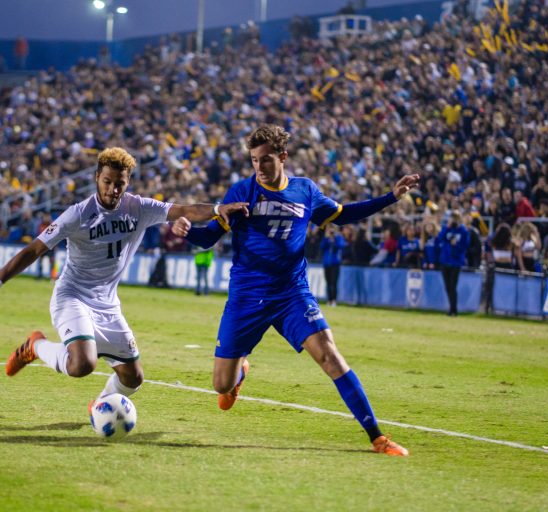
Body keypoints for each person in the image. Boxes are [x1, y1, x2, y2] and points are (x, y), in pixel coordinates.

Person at [171, 125, 418, 456]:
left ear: (283, 157)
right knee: (221, 385)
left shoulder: (306, 191)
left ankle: (377, 437)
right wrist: (187, 231)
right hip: (247, 297)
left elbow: (342, 215)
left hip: (292, 294)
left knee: (330, 356)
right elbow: (207, 237)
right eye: (255, 160)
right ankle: (240, 372)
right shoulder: (241, 192)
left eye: (266, 159)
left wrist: (390, 197)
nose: (259, 166)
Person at [0, 148, 248, 407]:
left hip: (107, 304)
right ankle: (35, 346)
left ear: (128, 182)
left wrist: (215, 209)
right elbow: (34, 249)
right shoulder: (77, 214)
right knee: (82, 364)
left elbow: (184, 210)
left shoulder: (139, 208)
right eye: (107, 182)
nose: (113, 189)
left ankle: (100, 407)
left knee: (132, 378)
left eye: (120, 184)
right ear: (97, 177)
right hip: (72, 296)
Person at [437, 210, 469, 317]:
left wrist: (456, 245)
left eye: (456, 218)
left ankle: (453, 310)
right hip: (445, 261)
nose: (454, 220)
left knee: (452, 287)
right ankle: (452, 309)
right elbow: (439, 239)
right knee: (447, 287)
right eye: (452, 217)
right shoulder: (447, 228)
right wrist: (447, 227)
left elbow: (465, 246)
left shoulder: (463, 230)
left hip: (456, 262)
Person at [320, 225, 346, 306]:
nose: (331, 232)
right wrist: (326, 237)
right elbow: (321, 246)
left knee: (333, 283)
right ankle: (329, 299)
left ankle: (334, 300)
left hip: (335, 263)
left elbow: (341, 245)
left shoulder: (338, 238)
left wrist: (336, 237)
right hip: (327, 263)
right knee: (328, 282)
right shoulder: (327, 239)